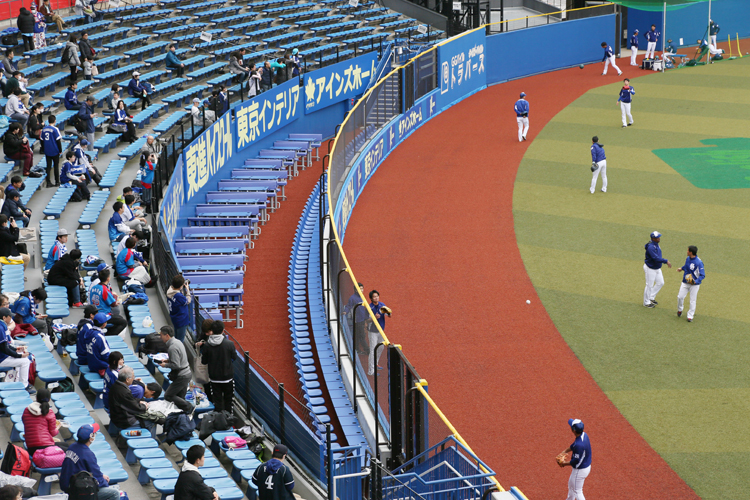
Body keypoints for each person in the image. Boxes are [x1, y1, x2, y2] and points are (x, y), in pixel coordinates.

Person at [60, 424, 120, 500]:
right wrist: (105, 482)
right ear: (91, 438)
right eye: (94, 433)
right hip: (77, 491)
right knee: (115, 493)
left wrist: (101, 475)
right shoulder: (88, 454)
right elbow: (99, 479)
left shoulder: (72, 446)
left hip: (67, 485)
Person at [201, 320, 236, 413]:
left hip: (214, 378)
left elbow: (204, 361)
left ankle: (218, 421)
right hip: (227, 377)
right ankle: (228, 421)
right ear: (223, 330)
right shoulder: (229, 344)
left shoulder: (207, 345)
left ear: (212, 330)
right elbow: (234, 357)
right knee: (229, 401)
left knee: (217, 402)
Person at [109, 365, 156, 433]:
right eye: (133, 377)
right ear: (127, 379)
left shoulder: (115, 385)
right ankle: (141, 436)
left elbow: (128, 401)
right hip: (123, 421)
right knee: (151, 422)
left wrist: (139, 401)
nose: (134, 379)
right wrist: (144, 406)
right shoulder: (124, 392)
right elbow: (136, 408)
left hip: (115, 416)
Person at [22, 387, 68, 456]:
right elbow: (53, 433)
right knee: (69, 451)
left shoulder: (27, 410)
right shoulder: (49, 412)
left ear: (36, 398)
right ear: (49, 400)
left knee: (65, 444)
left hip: (31, 447)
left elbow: (25, 422)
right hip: (45, 448)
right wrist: (57, 427)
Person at [158, 325, 193, 414]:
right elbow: (179, 358)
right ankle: (184, 416)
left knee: (168, 395)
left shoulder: (172, 347)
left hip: (182, 376)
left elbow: (176, 365)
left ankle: (189, 407)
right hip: (187, 373)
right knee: (180, 397)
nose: (160, 337)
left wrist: (165, 365)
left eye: (161, 335)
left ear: (167, 336)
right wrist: (168, 360)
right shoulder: (178, 342)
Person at [556, 419, 592, 500]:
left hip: (580, 470)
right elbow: (574, 445)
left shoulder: (579, 445)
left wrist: (564, 463)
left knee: (577, 491)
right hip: (585, 466)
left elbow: (576, 462)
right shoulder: (584, 435)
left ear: (573, 430)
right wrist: (564, 451)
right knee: (571, 485)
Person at [0, 307, 33, 393]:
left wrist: (16, 349)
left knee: (23, 358)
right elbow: (4, 349)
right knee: (25, 361)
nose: (11, 318)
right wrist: (19, 355)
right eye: (9, 317)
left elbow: (6, 345)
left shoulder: (2, 325)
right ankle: (24, 387)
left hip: (3, 355)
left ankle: (18, 383)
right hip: (1, 359)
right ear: (4, 318)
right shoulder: (0, 327)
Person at [89, 269, 128, 337]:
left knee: (119, 317)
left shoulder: (94, 288)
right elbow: (113, 304)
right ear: (108, 278)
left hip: (94, 313)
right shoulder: (104, 289)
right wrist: (115, 297)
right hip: (103, 315)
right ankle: (108, 336)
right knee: (123, 322)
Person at [677, 245, 704, 322]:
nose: (687, 251)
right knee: (680, 297)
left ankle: (690, 316)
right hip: (685, 282)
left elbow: (702, 275)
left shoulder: (699, 262)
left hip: (694, 285)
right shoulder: (688, 258)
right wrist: (681, 268)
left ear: (691, 252)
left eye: (688, 250)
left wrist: (696, 281)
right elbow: (686, 266)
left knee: (692, 300)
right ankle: (680, 309)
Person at [367, 290, 391, 376]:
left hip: (381, 330)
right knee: (373, 350)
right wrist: (374, 318)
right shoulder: (369, 307)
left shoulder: (382, 305)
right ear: (371, 298)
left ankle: (375, 363)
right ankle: (371, 371)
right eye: (374, 297)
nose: (376, 298)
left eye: (377, 296)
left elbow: (389, 315)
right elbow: (367, 320)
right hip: (373, 331)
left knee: (381, 347)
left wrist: (389, 313)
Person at [167, 274, 191, 342]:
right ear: (181, 286)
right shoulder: (178, 296)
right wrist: (188, 290)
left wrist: (180, 289)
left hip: (175, 318)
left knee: (176, 338)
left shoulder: (170, 291)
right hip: (181, 320)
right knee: (180, 341)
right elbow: (188, 300)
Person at [41, 114, 62, 187]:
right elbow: (58, 141)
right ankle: (57, 181)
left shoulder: (44, 129)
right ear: (55, 121)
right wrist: (60, 150)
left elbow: (42, 140)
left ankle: (48, 182)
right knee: (56, 166)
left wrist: (43, 149)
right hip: (55, 150)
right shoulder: (55, 129)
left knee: (48, 166)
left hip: (47, 150)